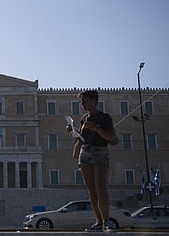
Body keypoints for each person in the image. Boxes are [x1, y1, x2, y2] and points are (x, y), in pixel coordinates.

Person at [66, 90, 116, 232]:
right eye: (81, 102)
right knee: (92, 191)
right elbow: (82, 139)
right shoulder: (83, 119)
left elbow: (110, 137)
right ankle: (99, 222)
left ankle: (107, 222)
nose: (82, 104)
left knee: (101, 188)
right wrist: (73, 131)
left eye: (84, 101)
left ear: (94, 100)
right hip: (85, 153)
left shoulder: (104, 118)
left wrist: (95, 128)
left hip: (99, 152)